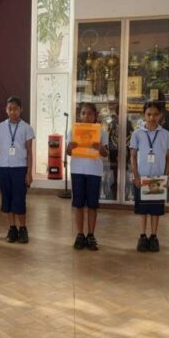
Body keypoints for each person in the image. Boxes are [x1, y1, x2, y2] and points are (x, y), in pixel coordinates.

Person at [129, 102, 169, 252]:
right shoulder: (137, 134)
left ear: (160, 116)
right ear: (144, 115)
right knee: (142, 210)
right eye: (149, 114)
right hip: (142, 179)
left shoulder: (166, 135)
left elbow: (168, 158)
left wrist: (166, 178)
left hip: (158, 180)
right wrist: (136, 176)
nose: (152, 117)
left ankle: (154, 236)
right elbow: (133, 157)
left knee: (155, 209)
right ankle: (142, 236)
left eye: (155, 114)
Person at [66, 103, 109, 251]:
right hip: (77, 170)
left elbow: (105, 154)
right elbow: (68, 152)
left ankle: (91, 235)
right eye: (83, 113)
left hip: (94, 172)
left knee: (92, 205)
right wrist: (69, 148)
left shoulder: (101, 132)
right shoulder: (73, 131)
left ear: (95, 116)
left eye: (90, 113)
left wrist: (100, 148)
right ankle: (80, 234)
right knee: (78, 204)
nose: (86, 116)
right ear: (80, 115)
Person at [0, 96, 35, 243]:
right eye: (10, 109)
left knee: (19, 199)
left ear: (21, 109)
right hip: (3, 168)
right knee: (7, 199)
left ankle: (23, 228)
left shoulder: (27, 128)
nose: (13, 112)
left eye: (15, 109)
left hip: (20, 168)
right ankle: (12, 228)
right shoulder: (0, 127)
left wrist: (29, 172)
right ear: (6, 110)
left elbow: (29, 152)